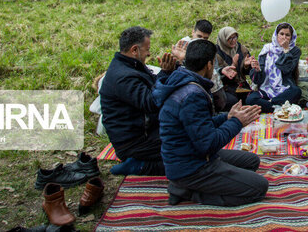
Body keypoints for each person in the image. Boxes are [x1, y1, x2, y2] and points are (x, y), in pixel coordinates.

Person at [154, 39, 268, 206]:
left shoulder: (182, 79)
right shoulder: (192, 94)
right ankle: (187, 191)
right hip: (191, 166)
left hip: (191, 154)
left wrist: (227, 117)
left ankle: (199, 182)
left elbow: (200, 125)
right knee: (259, 187)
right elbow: (208, 144)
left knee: (251, 161)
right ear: (208, 65)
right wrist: (237, 122)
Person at [99, 26, 182, 176]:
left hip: (146, 131)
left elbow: (152, 88)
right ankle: (139, 166)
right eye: (147, 49)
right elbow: (151, 102)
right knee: (187, 152)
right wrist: (164, 74)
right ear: (134, 50)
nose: (149, 53)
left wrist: (170, 71)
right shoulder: (123, 77)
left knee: (184, 132)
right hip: (134, 142)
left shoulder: (131, 66)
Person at [246, 22, 302, 113]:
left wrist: (286, 51)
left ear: (291, 37)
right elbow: (258, 80)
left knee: (296, 91)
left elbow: (287, 69)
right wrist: (257, 70)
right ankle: (277, 106)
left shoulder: (295, 51)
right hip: (266, 88)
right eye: (281, 34)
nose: (284, 37)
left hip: (285, 88)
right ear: (276, 35)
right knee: (250, 100)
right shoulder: (267, 49)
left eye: (287, 35)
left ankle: (270, 104)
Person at [215, 26, 259, 110]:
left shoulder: (241, 49)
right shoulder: (216, 53)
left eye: (235, 37)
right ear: (223, 39)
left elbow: (248, 73)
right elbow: (216, 73)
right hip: (226, 87)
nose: (233, 41)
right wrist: (233, 64)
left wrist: (246, 65)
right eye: (230, 38)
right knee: (233, 102)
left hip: (241, 85)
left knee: (252, 100)